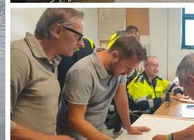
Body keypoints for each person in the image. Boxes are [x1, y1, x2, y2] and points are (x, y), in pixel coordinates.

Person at [57, 34, 151, 140]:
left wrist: (129, 128)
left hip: (98, 130)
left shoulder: (120, 69)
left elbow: (121, 97)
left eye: (131, 69)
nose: (128, 73)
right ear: (115, 55)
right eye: (127, 67)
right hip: (74, 135)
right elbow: (75, 120)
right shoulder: (82, 72)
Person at [11, 8, 84, 140]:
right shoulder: (18, 56)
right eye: (78, 36)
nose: (81, 43)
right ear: (57, 30)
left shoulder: (52, 61)